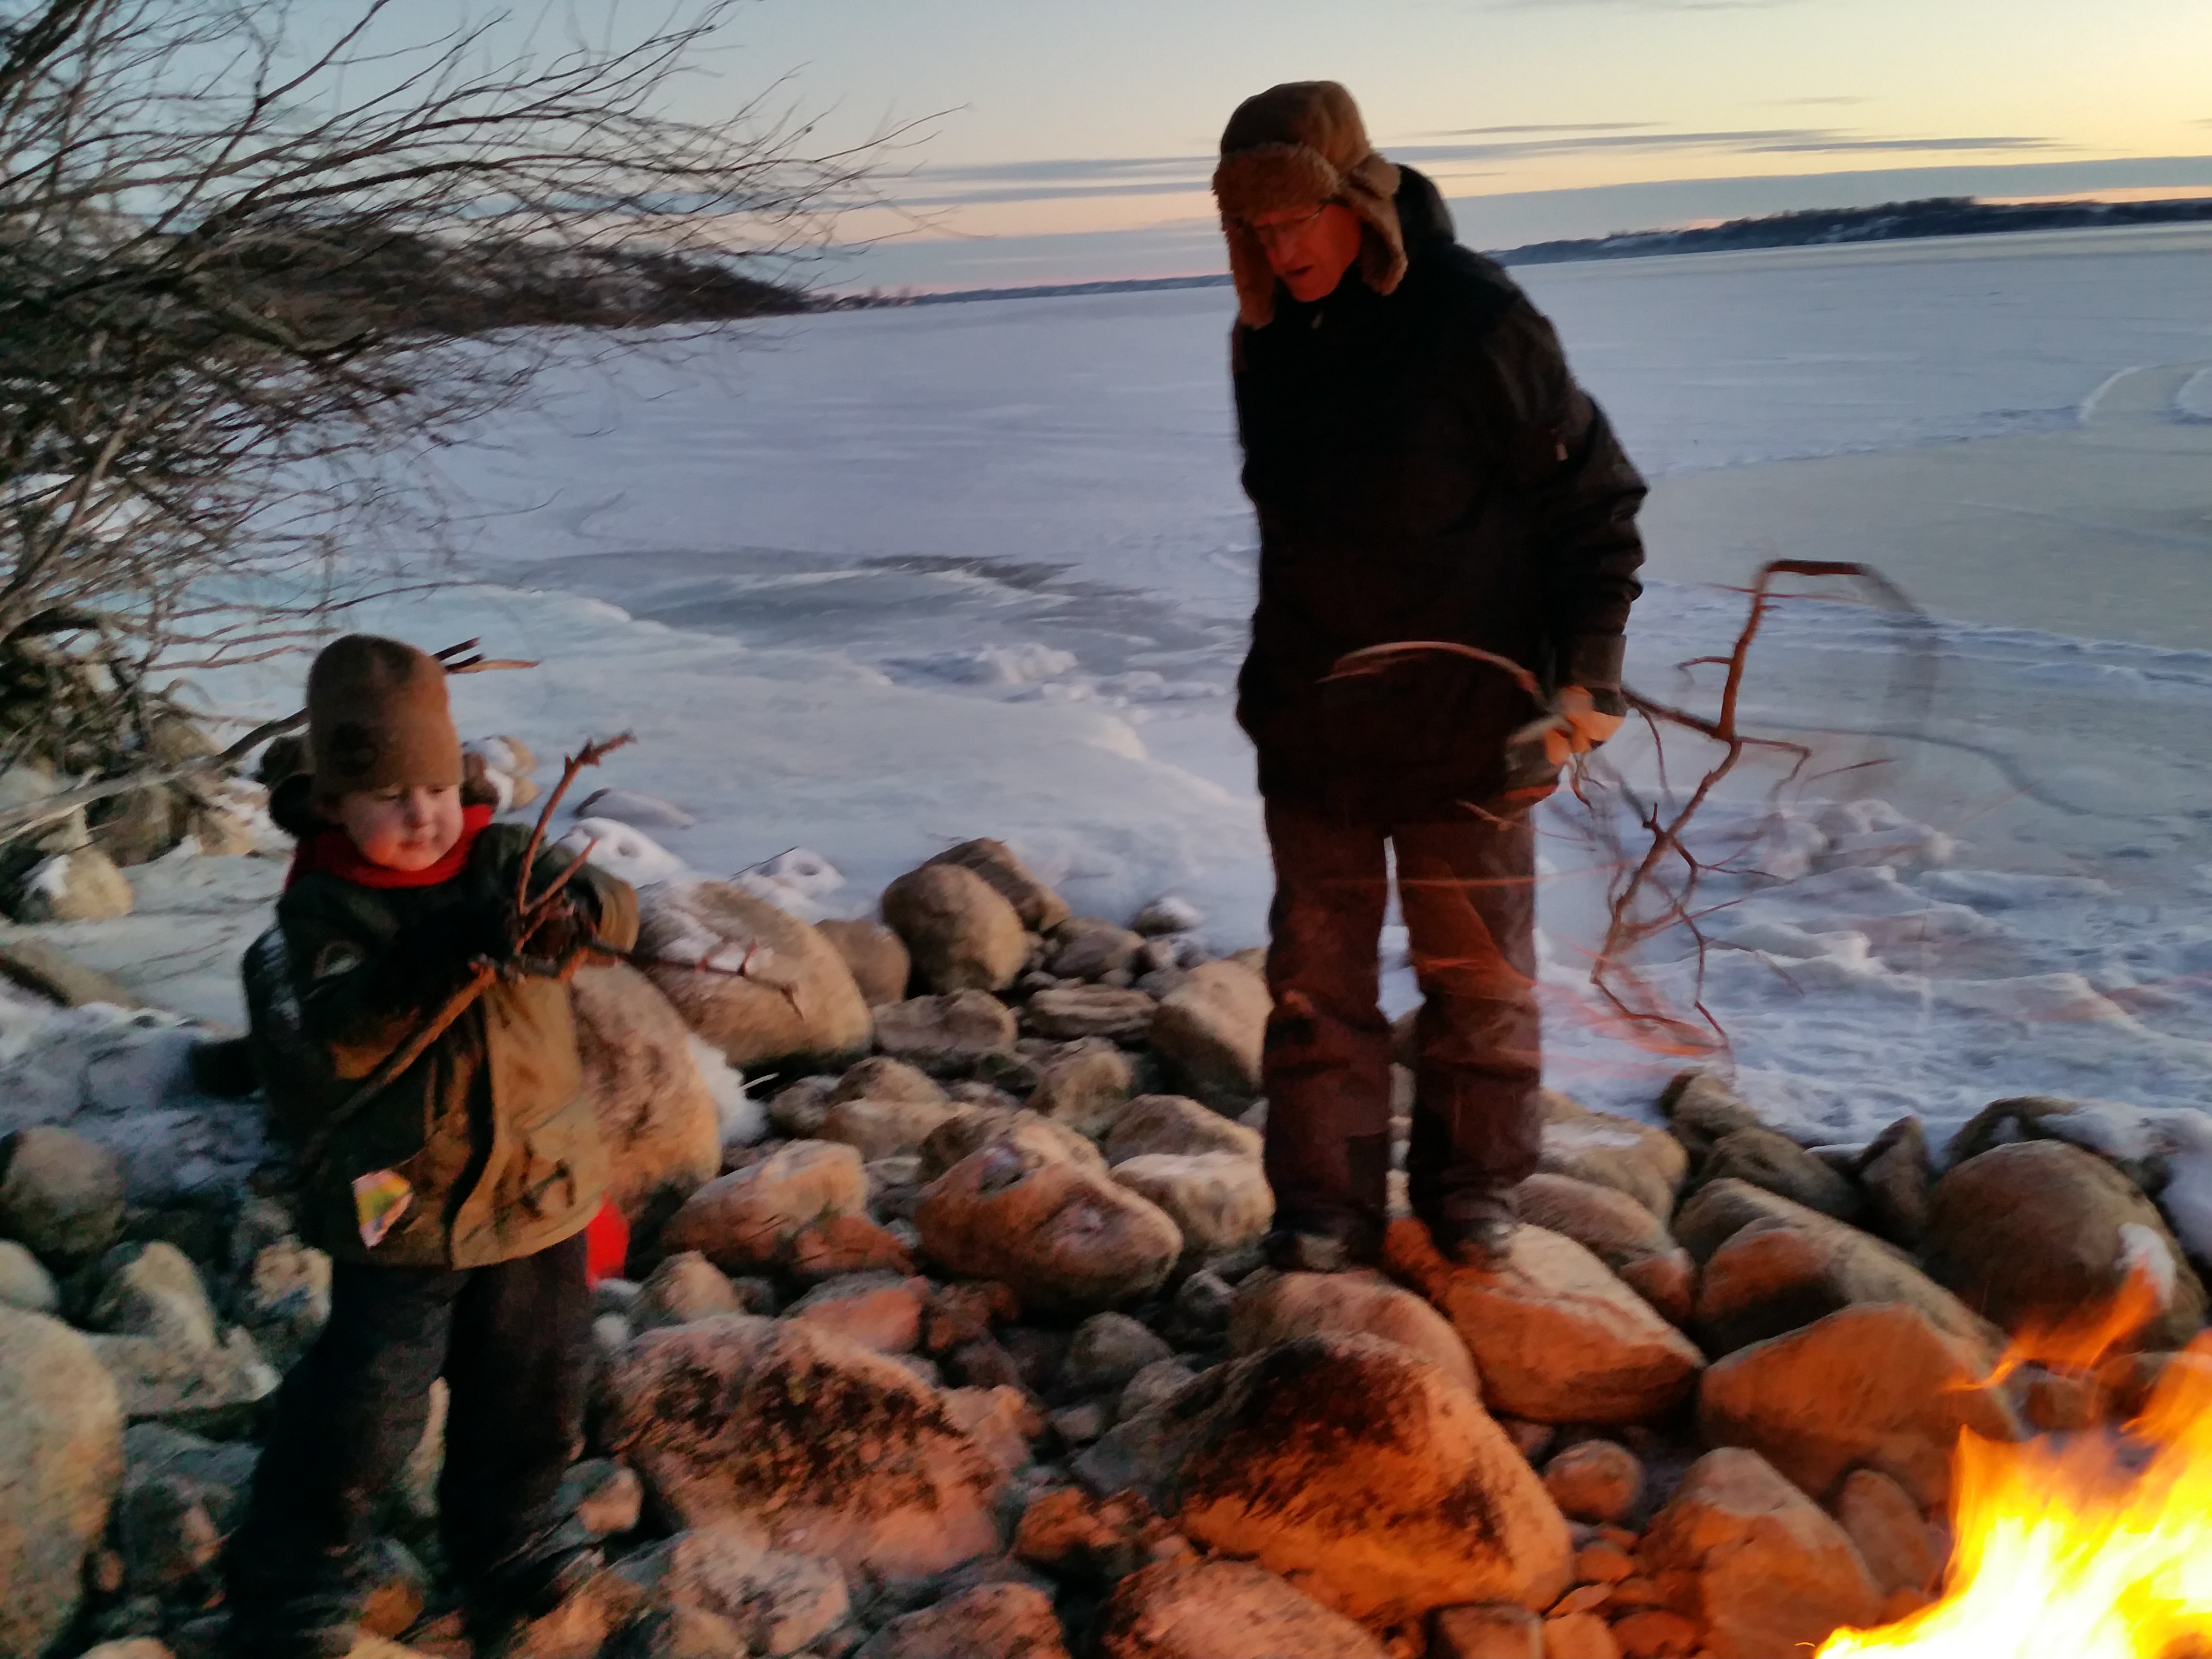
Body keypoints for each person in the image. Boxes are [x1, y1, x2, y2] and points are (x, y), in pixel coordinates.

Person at [1213, 82, 1647, 1272]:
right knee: (1316, 995)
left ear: (1358, 199)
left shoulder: (1475, 317)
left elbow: (1595, 505)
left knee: (1480, 984)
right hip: (1315, 726)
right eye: (1253, 230)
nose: (1279, 251)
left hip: (1471, 726)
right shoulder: (1267, 339)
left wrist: (1589, 677)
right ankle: (1326, 1214)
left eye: (1296, 220)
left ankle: (1474, 1194)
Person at [226, 635, 639, 1658]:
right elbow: (342, 1031)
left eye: (440, 788)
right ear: (335, 804)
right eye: (392, 796)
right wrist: (430, 953)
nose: (424, 815)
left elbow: (617, 915)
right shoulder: (324, 905)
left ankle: (509, 1536)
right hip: (403, 1203)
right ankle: (297, 1573)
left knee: (536, 1381)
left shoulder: (505, 858)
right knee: (368, 1400)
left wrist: (573, 913)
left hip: (536, 1189)